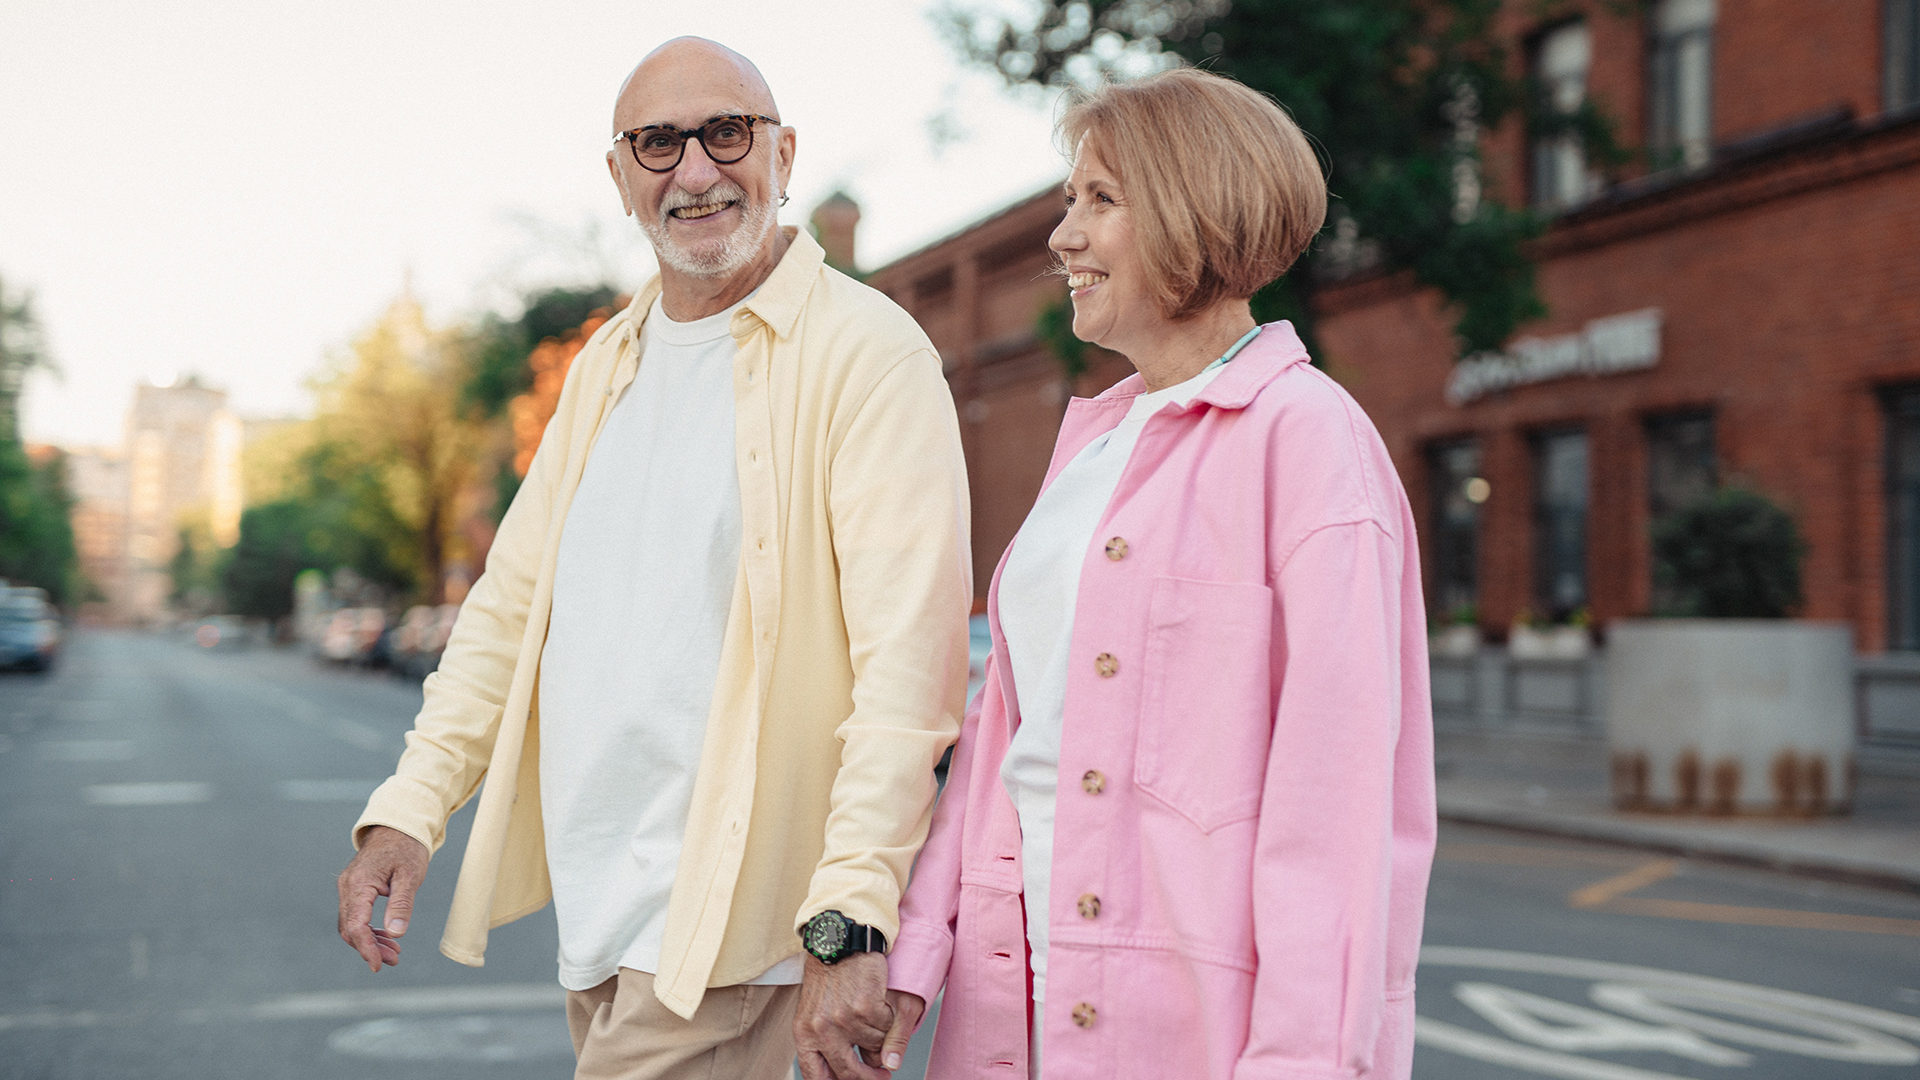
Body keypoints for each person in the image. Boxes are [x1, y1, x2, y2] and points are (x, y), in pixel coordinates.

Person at [334, 37, 972, 1080]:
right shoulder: (606, 364)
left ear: (783, 152)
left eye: (727, 133)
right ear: (621, 174)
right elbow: (507, 613)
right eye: (659, 143)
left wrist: (847, 928)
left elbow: (909, 678)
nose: (697, 170)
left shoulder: (868, 354)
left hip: (741, 950)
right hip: (603, 932)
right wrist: (409, 811)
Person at [874, 68, 1437, 1080]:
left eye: (1099, 201)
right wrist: (915, 953)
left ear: (1190, 211)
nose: (1063, 237)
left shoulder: (1308, 441)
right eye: (1065, 201)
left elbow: (1339, 813)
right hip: (1014, 1006)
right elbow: (1008, 738)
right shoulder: (1090, 445)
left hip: (1191, 1036)